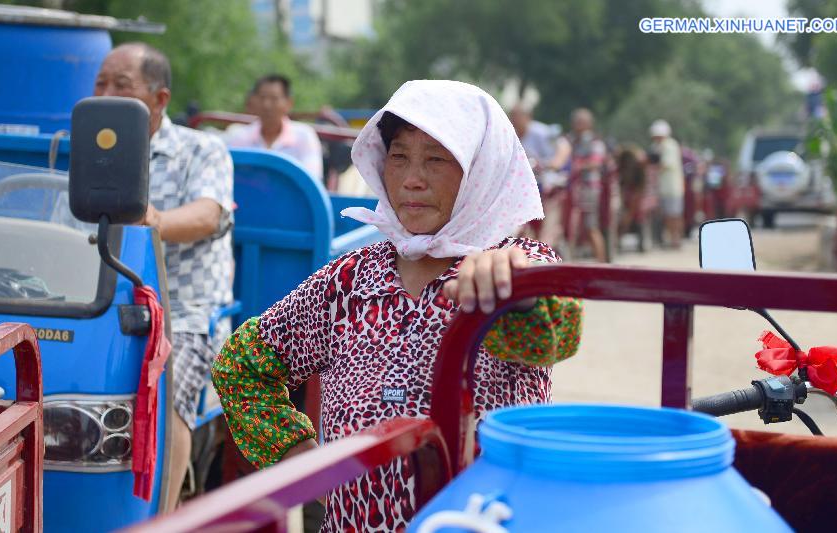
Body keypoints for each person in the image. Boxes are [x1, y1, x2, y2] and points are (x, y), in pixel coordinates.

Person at [213, 80, 583, 531]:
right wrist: (302, 462)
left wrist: (512, 288)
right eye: (399, 156)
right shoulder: (347, 280)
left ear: (480, 169)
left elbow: (555, 333)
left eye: (436, 158)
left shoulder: (518, 265)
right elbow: (241, 366)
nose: (411, 178)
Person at [93, 42, 235, 511]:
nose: (107, 94)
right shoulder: (84, 145)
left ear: (159, 99)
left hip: (183, 313)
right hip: (99, 302)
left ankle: (162, 516)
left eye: (122, 85)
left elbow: (209, 215)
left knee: (167, 386)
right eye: (101, 83)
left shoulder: (201, 149)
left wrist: (152, 219)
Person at [223, 74, 324, 181]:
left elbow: (311, 180)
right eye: (262, 98)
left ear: (289, 103)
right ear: (253, 101)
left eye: (274, 98)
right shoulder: (239, 137)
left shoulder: (304, 137)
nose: (267, 105)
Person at [509, 105, 571, 251]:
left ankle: (548, 245)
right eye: (512, 117)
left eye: (518, 117)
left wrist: (556, 163)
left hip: (546, 182)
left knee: (548, 223)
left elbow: (564, 146)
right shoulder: (509, 133)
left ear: (528, 117)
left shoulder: (541, 132)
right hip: (523, 185)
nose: (515, 121)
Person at [567, 108, 607, 262]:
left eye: (580, 122)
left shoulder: (594, 142)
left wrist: (577, 166)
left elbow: (596, 163)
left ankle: (601, 263)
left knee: (591, 226)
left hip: (589, 189)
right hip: (575, 188)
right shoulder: (573, 141)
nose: (576, 125)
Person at [649, 119, 684, 248]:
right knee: (667, 216)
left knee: (674, 215)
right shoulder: (655, 147)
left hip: (673, 187)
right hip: (661, 188)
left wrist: (652, 168)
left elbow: (666, 164)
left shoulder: (670, 145)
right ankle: (671, 239)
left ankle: (676, 239)